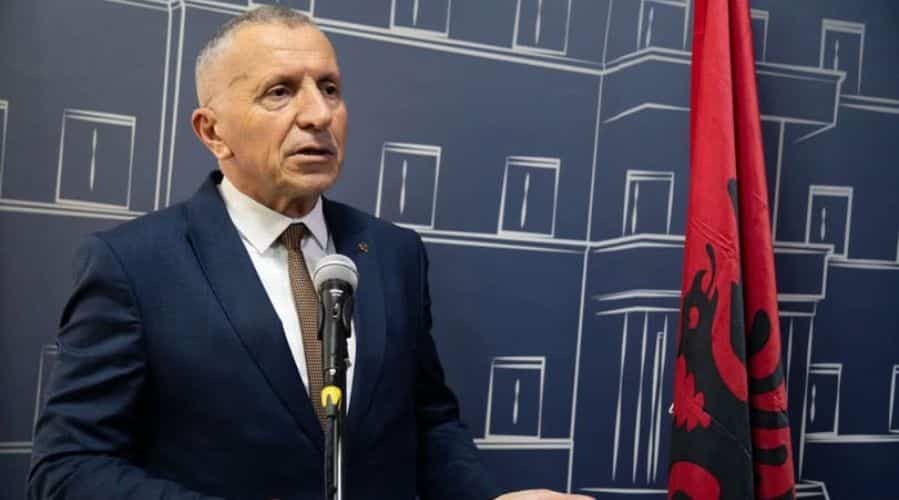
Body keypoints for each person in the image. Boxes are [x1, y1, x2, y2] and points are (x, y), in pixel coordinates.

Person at [27, 6, 592, 500]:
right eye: (280, 91)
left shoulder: (393, 253)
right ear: (212, 131)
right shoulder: (132, 265)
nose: (318, 114)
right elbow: (68, 468)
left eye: (329, 88)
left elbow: (428, 425)